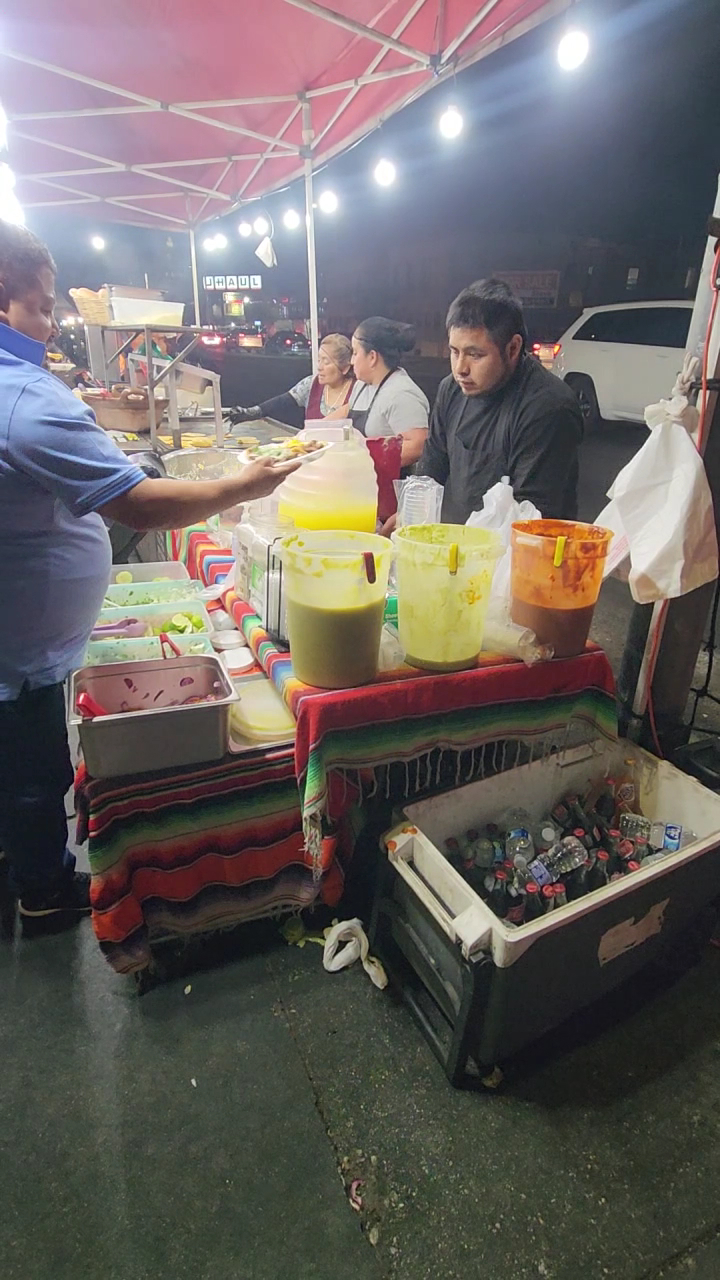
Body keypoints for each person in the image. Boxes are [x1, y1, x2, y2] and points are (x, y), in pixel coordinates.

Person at [0, 223, 300, 936]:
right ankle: (42, 889)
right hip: (21, 658)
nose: (50, 324)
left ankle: (17, 850)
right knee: (36, 774)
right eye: (41, 307)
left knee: (16, 768)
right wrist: (242, 483)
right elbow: (135, 502)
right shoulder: (22, 398)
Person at [417, 279, 582, 524]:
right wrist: (410, 516)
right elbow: (431, 468)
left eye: (475, 354)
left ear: (513, 348)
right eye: (454, 351)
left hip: (527, 550)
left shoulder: (548, 407)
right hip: (463, 543)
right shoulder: (451, 389)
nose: (460, 368)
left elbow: (530, 518)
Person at [336, 317, 429, 467]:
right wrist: (312, 431)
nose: (351, 361)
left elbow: (417, 446)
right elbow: (347, 408)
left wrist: (365, 460)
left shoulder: (401, 394)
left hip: (388, 484)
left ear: (372, 357)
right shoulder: (361, 385)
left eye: (355, 353)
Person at [224, 333, 355, 430]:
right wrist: (251, 412)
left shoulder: (358, 391)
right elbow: (281, 402)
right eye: (319, 360)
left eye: (326, 362)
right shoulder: (310, 384)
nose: (319, 367)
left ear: (345, 368)